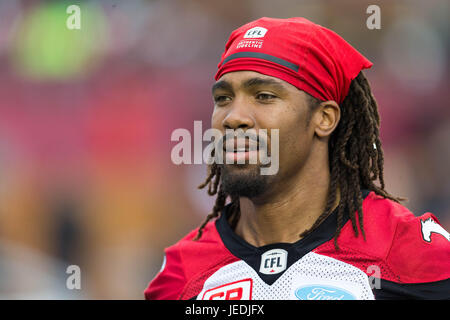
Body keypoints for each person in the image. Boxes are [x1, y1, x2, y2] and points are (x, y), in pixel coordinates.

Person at [145, 17, 450, 300]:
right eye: (223, 98)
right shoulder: (181, 272)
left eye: (264, 96)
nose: (233, 117)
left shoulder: (410, 251)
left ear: (325, 118)